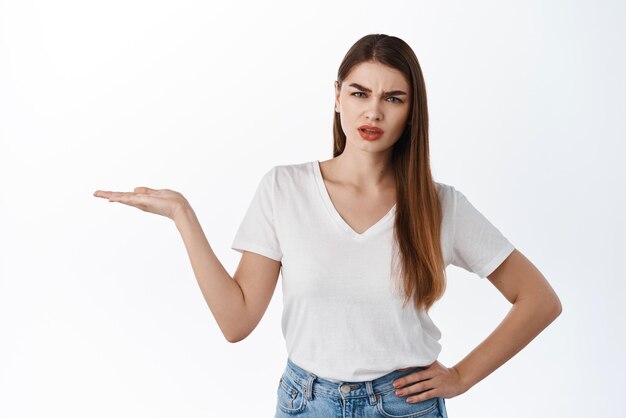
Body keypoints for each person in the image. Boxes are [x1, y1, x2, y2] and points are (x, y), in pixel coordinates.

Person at [93, 33, 562, 418]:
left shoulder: (439, 205)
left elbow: (539, 300)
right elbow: (236, 322)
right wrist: (183, 217)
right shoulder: (285, 188)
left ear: (411, 111)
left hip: (403, 406)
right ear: (337, 96)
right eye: (359, 93)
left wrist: (461, 376)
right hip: (306, 403)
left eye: (392, 98)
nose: (373, 112)